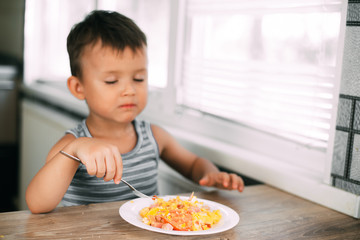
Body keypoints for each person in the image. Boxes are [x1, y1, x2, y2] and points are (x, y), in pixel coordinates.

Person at [25, 10, 244, 214]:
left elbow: (194, 164)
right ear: (78, 88)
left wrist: (211, 175)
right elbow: (37, 204)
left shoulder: (154, 136)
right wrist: (76, 149)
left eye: (139, 78)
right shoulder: (71, 145)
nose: (129, 90)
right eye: (112, 81)